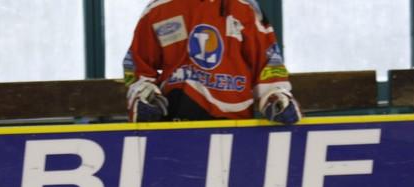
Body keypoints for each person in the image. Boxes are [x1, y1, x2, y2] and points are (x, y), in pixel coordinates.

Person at [124, 0, 301, 124]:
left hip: (236, 127)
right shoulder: (159, 9)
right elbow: (138, 68)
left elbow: (267, 65)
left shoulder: (245, 8)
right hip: (176, 127)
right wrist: (144, 94)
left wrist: (276, 96)